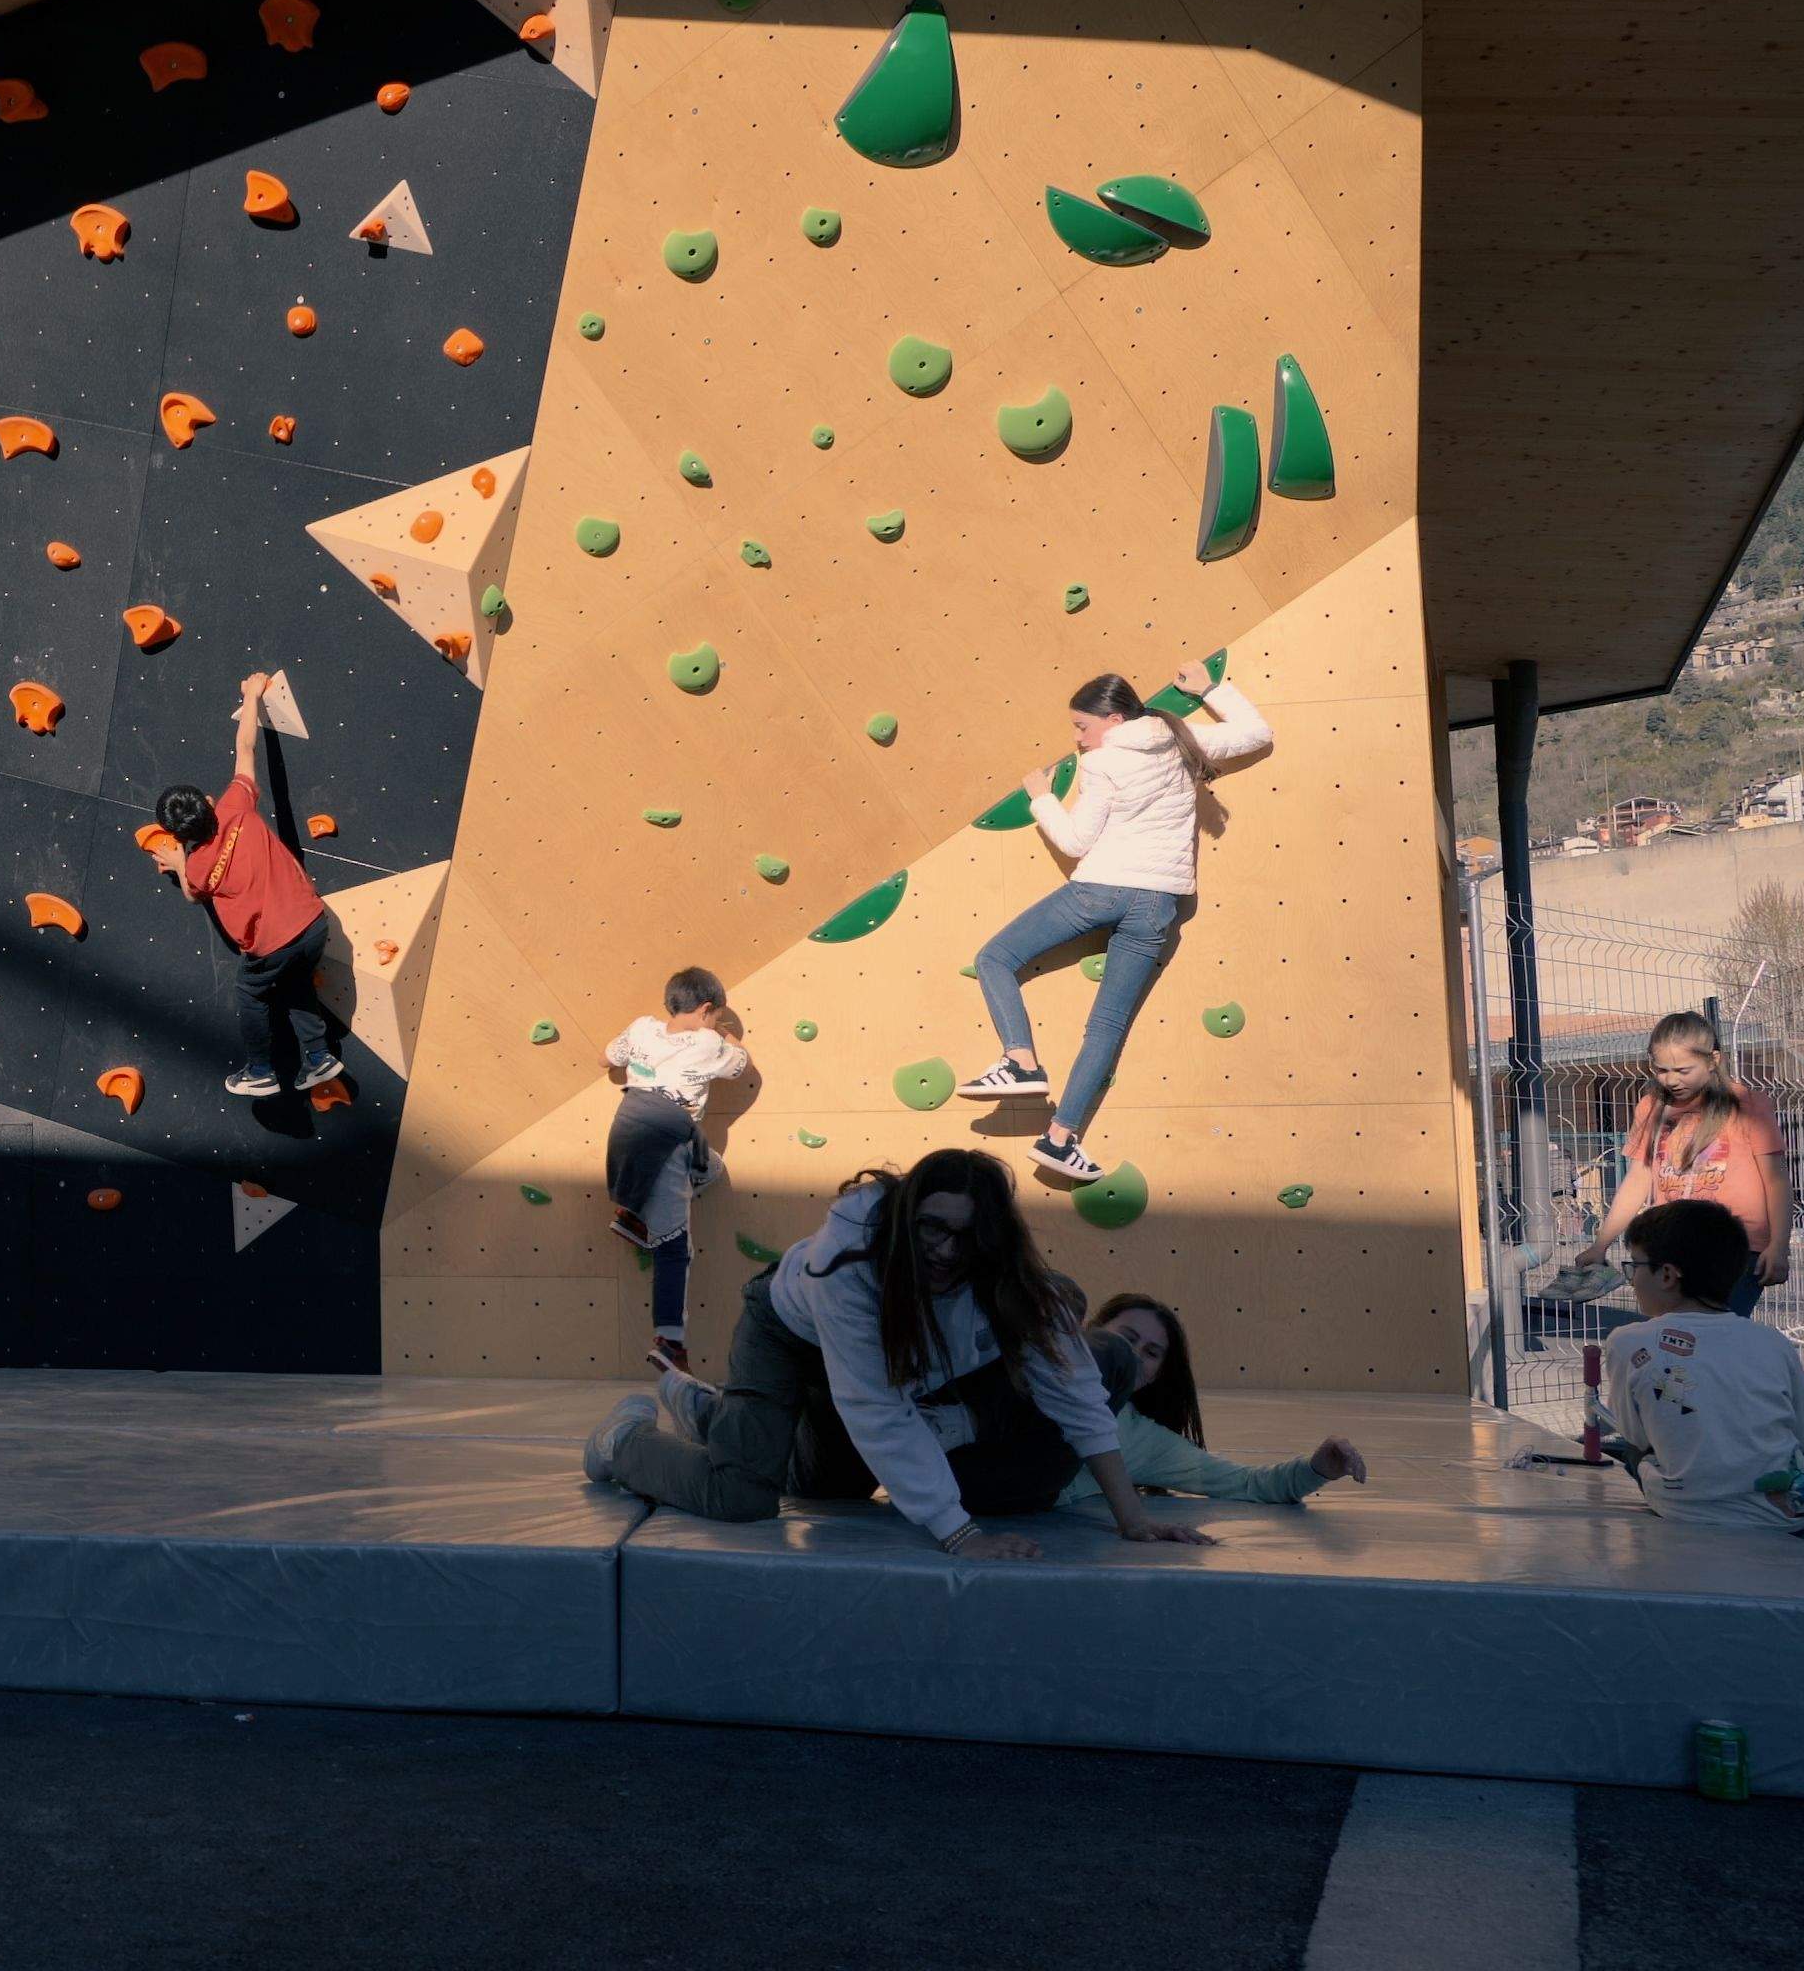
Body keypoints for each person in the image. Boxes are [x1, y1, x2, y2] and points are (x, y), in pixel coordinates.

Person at [583, 1150, 1216, 1558]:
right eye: (932, 1228)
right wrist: (961, 1535)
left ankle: (717, 1416)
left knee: (834, 1489)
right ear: (907, 1220)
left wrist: (1131, 1518)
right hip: (787, 1333)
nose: (944, 1250)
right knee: (742, 1496)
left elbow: (1075, 1394)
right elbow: (877, 1408)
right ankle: (624, 1443)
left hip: (872, 1366)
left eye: (965, 1237)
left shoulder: (1013, 1286)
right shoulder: (850, 1262)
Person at [954, 660, 1272, 1185]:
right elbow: (1257, 734)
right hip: (1159, 904)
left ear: (1114, 721)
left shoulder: (1102, 765)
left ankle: (1021, 1063)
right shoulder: (1181, 740)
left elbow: (1076, 842)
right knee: (1107, 1027)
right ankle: (1060, 1140)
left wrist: (1042, 800)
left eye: (1083, 727)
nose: (1078, 741)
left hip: (1100, 891)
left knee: (995, 958)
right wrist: (1212, 689)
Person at [153, 672, 342, 1097]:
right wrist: (252, 694)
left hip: (274, 943)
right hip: (313, 924)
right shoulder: (236, 803)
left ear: (178, 835)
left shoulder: (198, 867)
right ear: (206, 802)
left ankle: (260, 1069)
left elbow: (192, 894)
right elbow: (246, 747)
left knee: (250, 992)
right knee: (293, 984)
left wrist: (179, 864)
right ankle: (318, 1056)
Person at [1598, 1198, 1804, 1532]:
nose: (1631, 1280)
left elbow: (1635, 1434)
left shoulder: (1629, 1341)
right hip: (1788, 1512)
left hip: (1688, 1509)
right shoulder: (1773, 1342)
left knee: (1636, 1453)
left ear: (1666, 1275)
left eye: (1635, 1266)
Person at [1546, 1010, 1785, 1310]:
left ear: (1713, 1061)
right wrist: (1600, 1244)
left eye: (1683, 1070)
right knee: (1671, 1335)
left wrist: (1779, 1244)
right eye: (1662, 1070)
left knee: (1715, 1335)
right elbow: (1638, 1179)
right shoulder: (1651, 1108)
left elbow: (1775, 1181)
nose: (1671, 1080)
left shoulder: (1747, 1105)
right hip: (1670, 1245)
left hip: (1734, 1249)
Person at [1046, 1293, 1367, 1509]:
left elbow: (1248, 1483)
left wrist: (1316, 1468)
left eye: (1151, 1353)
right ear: (1090, 1333)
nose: (1132, 1354)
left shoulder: (1145, 1443)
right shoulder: (1033, 1376)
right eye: (1126, 1339)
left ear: (1156, 1375)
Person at [600, 967, 750, 1362]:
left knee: (710, 1168)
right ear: (705, 1010)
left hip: (627, 1124)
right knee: (674, 1247)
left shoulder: (641, 1030)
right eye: (716, 1015)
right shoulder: (707, 1044)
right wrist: (728, 1034)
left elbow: (605, 1059)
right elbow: (741, 1065)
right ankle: (669, 1342)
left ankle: (634, 1217)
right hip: (668, 1135)